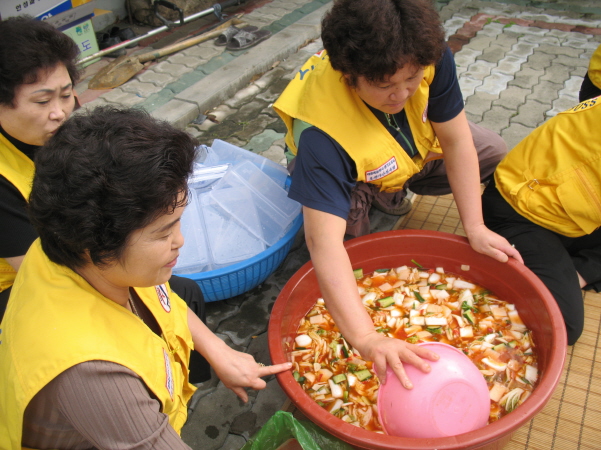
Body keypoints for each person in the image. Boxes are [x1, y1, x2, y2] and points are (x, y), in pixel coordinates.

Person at [0, 106, 292, 449]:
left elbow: (164, 303)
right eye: (163, 232)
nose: (180, 241)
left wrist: (216, 349)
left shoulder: (74, 251)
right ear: (93, 243)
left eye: (180, 220)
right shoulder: (94, 376)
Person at [272, 0, 522, 387]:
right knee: (348, 246)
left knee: (490, 150)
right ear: (349, 77)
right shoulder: (321, 137)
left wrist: (475, 226)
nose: (401, 93)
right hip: (350, 169)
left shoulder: (427, 55)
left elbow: (456, 142)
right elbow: (323, 244)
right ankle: (369, 195)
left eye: (412, 79)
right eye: (385, 85)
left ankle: (394, 187)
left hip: (403, 151)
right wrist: (368, 339)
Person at [0, 17, 210, 382]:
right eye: (42, 100)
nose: (60, 112)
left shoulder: (60, 131)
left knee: (185, 292)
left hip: (88, 250)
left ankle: (183, 385)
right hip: (29, 283)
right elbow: (58, 266)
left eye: (66, 94)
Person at [482, 96, 601, 346]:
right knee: (562, 327)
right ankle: (567, 271)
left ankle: (575, 271)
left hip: (578, 211)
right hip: (521, 210)